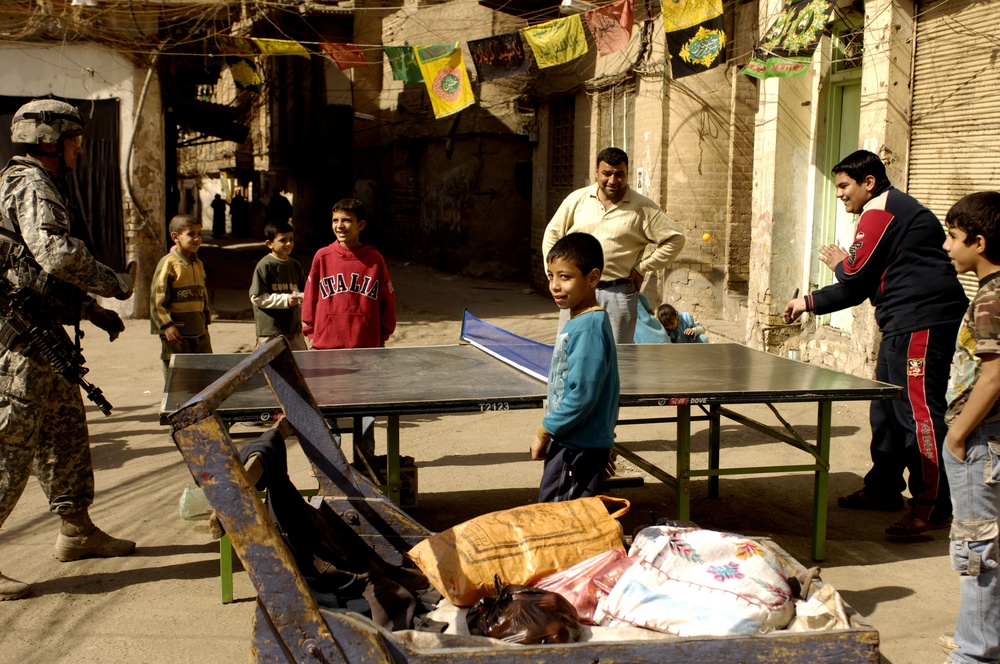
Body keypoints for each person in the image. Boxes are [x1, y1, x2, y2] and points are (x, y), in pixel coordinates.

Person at [782, 149, 968, 537]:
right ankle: (884, 488)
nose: (840, 194)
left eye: (845, 186)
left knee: (919, 415)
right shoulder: (882, 212)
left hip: (923, 320)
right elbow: (859, 286)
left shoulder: (881, 210)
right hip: (901, 322)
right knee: (886, 409)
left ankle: (934, 506)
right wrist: (807, 303)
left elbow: (853, 271)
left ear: (868, 183)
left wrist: (838, 261)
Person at [0, 99, 137, 600]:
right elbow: (55, 254)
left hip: (42, 333)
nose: (79, 148)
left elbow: (28, 271)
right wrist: (113, 284)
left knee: (65, 437)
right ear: (50, 141)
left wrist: (88, 310)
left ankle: (76, 530)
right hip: (21, 343)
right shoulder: (32, 184)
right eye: (74, 139)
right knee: (10, 449)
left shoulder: (32, 183)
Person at [541, 146, 686, 344]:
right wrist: (554, 274)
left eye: (619, 174)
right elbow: (552, 234)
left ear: (627, 173)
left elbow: (675, 238)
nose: (612, 180)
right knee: (570, 350)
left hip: (618, 293)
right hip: (578, 291)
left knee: (616, 356)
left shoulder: (642, 208)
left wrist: (643, 267)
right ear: (596, 172)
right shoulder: (577, 200)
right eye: (606, 173)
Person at [941, 192, 1000, 664]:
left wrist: (959, 433)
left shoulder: (991, 297)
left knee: (977, 548)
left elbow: (995, 375)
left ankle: (975, 653)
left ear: (978, 242)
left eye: (953, 237)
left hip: (982, 441)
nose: (946, 246)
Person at [531, 233, 620, 502]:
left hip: (575, 447)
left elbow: (582, 395)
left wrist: (543, 432)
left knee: (558, 522)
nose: (555, 286)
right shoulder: (583, 321)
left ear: (592, 278)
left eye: (565, 277)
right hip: (577, 443)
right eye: (550, 276)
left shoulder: (588, 329)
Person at [302, 198, 395, 350]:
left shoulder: (374, 260)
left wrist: (382, 336)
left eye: (346, 220)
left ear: (361, 225)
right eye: (335, 221)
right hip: (326, 345)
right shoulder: (322, 257)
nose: (339, 226)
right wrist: (312, 334)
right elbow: (310, 299)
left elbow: (387, 301)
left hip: (366, 344)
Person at [150, 214, 212, 380]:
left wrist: (205, 321)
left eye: (199, 234)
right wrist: (167, 326)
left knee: (204, 372)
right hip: (176, 332)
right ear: (175, 237)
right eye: (191, 234)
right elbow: (157, 299)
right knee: (178, 376)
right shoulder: (168, 263)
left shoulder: (198, 264)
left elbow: (202, 295)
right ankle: (177, 406)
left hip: (198, 328)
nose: (197, 238)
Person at [250, 219, 306, 350]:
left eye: (291, 239)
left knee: (300, 365)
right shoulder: (265, 265)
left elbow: (302, 292)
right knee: (270, 368)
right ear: (269, 244)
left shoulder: (295, 265)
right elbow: (256, 297)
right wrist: (285, 300)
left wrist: (299, 298)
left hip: (294, 329)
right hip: (271, 331)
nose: (288, 244)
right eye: (282, 240)